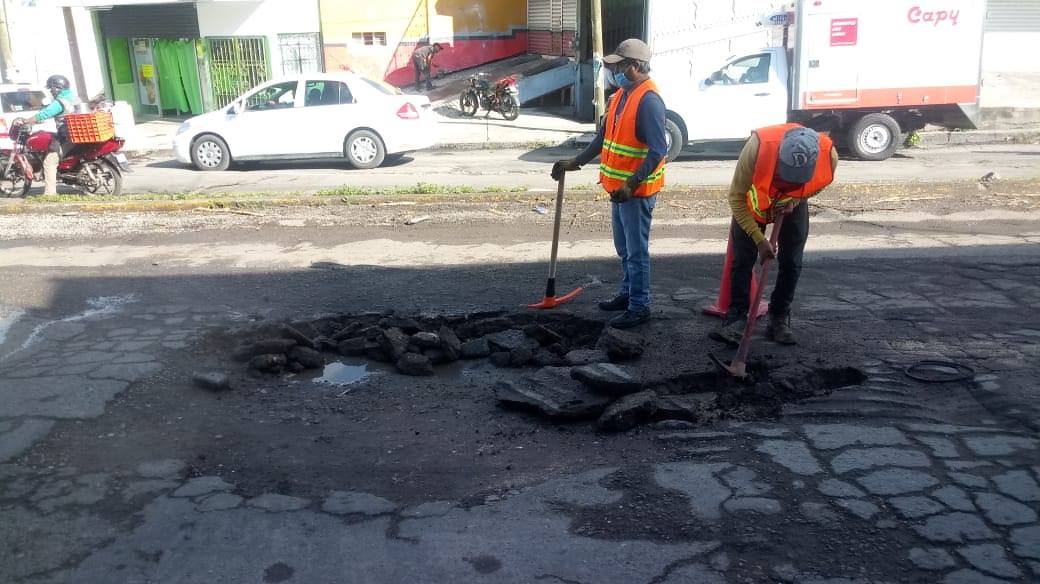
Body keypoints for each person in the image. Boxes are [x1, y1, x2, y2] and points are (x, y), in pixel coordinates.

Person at [551, 39, 668, 329]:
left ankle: (640, 306)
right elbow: (603, 139)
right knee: (624, 248)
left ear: (635, 66)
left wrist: (631, 183)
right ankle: (628, 294)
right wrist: (575, 161)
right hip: (617, 191)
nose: (612, 70)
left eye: (618, 66)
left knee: (637, 251)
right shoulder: (620, 96)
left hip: (636, 193)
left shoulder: (649, 101)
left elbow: (658, 151)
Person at [710, 123, 838, 346]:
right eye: (785, 175)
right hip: (751, 202)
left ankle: (778, 318)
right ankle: (736, 319)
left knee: (791, 261)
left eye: (795, 179)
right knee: (743, 260)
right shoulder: (757, 148)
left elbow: (819, 184)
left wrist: (795, 200)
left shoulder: (829, 155)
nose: (787, 182)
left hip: (793, 205)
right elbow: (736, 198)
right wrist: (759, 240)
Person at [15, 74, 81, 196]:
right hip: (77, 134)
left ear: (58, 87)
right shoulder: (74, 97)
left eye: (52, 88)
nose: (51, 91)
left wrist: (27, 120)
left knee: (49, 161)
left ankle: (50, 194)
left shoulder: (61, 101)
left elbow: (46, 113)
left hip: (67, 136)